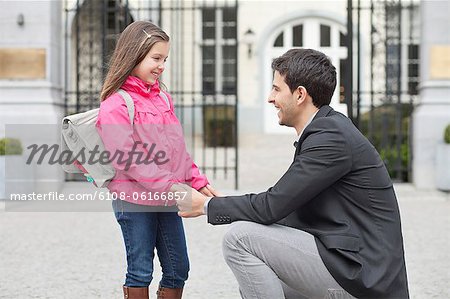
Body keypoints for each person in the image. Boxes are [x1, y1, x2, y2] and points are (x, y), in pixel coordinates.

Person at [178, 48, 409, 298]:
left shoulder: (330, 138)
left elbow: (273, 206)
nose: (269, 97)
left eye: (277, 89)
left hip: (364, 277)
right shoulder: (326, 129)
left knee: (240, 239)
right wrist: (230, 206)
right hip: (352, 264)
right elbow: (284, 209)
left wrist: (209, 206)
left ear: (300, 95)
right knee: (257, 277)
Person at [97, 21, 218, 299]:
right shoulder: (115, 103)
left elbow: (177, 150)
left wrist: (197, 181)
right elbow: (127, 158)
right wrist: (171, 187)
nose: (162, 65)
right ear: (134, 54)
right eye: (156, 58)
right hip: (134, 201)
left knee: (178, 268)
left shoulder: (163, 98)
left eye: (164, 59)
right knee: (140, 270)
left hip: (166, 198)